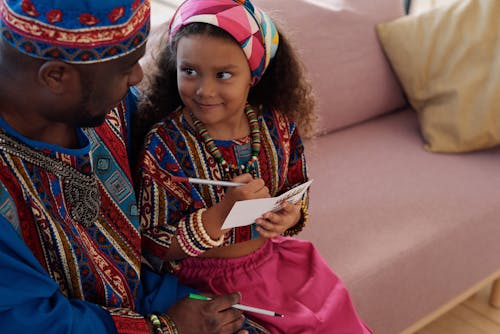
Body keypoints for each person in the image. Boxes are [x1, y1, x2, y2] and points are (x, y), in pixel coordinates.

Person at [0, 0, 264, 333]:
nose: (138, 76)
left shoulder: (112, 103)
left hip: (161, 293)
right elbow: (26, 321)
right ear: (56, 76)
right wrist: (165, 327)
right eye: (126, 68)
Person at [136, 0, 372, 332]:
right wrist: (220, 214)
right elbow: (153, 242)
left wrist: (290, 214)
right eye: (189, 71)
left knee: (336, 319)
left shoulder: (279, 129)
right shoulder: (164, 144)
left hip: (274, 264)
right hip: (205, 286)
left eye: (223, 75)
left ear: (254, 75)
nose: (205, 90)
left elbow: (295, 188)